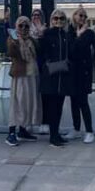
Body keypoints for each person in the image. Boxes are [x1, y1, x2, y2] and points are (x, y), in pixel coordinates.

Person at [65, 7, 95, 144]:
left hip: (83, 73)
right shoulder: (70, 33)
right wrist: (79, 35)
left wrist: (91, 61)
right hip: (72, 72)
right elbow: (71, 51)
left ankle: (89, 130)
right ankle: (76, 128)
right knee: (73, 101)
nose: (82, 18)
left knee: (83, 102)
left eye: (84, 16)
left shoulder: (89, 33)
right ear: (74, 16)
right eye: (80, 15)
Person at [38, 9, 73, 147]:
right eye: (56, 18)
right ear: (51, 20)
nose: (58, 21)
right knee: (52, 107)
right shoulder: (47, 34)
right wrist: (47, 65)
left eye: (61, 18)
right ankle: (53, 136)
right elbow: (41, 53)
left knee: (59, 107)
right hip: (51, 77)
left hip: (62, 76)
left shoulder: (66, 35)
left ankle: (56, 133)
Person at [5, 16, 41, 146]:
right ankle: (11, 132)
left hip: (31, 74)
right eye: (21, 26)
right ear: (16, 26)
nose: (24, 28)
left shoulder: (32, 39)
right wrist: (16, 40)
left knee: (28, 103)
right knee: (17, 103)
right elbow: (11, 52)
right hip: (20, 75)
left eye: (26, 26)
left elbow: (39, 49)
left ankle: (23, 129)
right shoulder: (13, 39)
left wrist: (37, 30)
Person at [29, 8, 49, 134]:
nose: (36, 17)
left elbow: (44, 48)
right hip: (31, 66)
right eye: (34, 15)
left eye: (38, 15)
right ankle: (30, 122)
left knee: (44, 95)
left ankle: (45, 122)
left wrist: (41, 33)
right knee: (31, 96)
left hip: (43, 66)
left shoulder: (47, 30)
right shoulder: (27, 31)